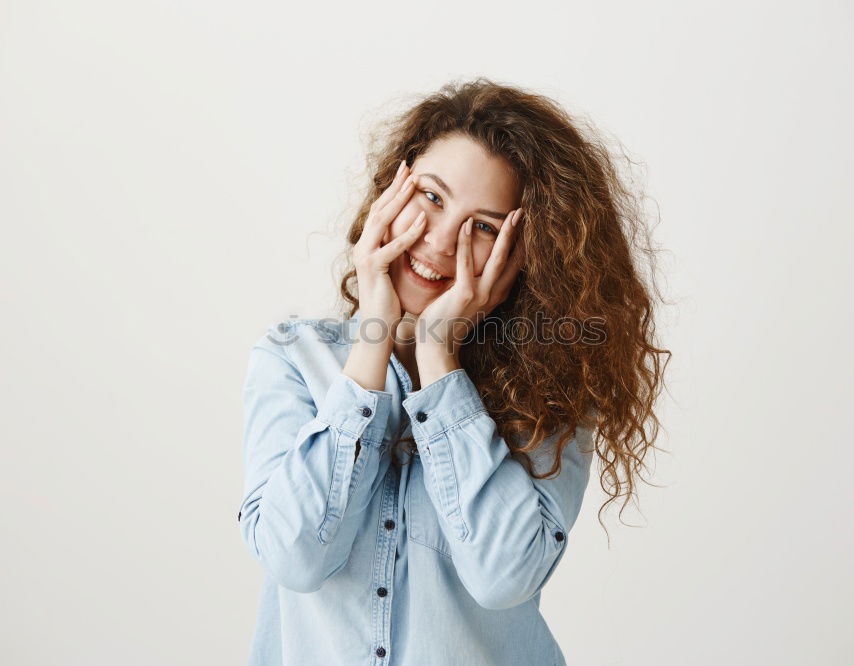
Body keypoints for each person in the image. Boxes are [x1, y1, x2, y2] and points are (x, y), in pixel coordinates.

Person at [237, 77, 670, 665]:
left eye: (484, 226)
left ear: (526, 252)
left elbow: (504, 576)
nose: (441, 242)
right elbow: (295, 556)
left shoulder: (555, 389)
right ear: (394, 187)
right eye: (433, 198)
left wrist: (440, 359)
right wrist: (371, 343)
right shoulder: (291, 358)